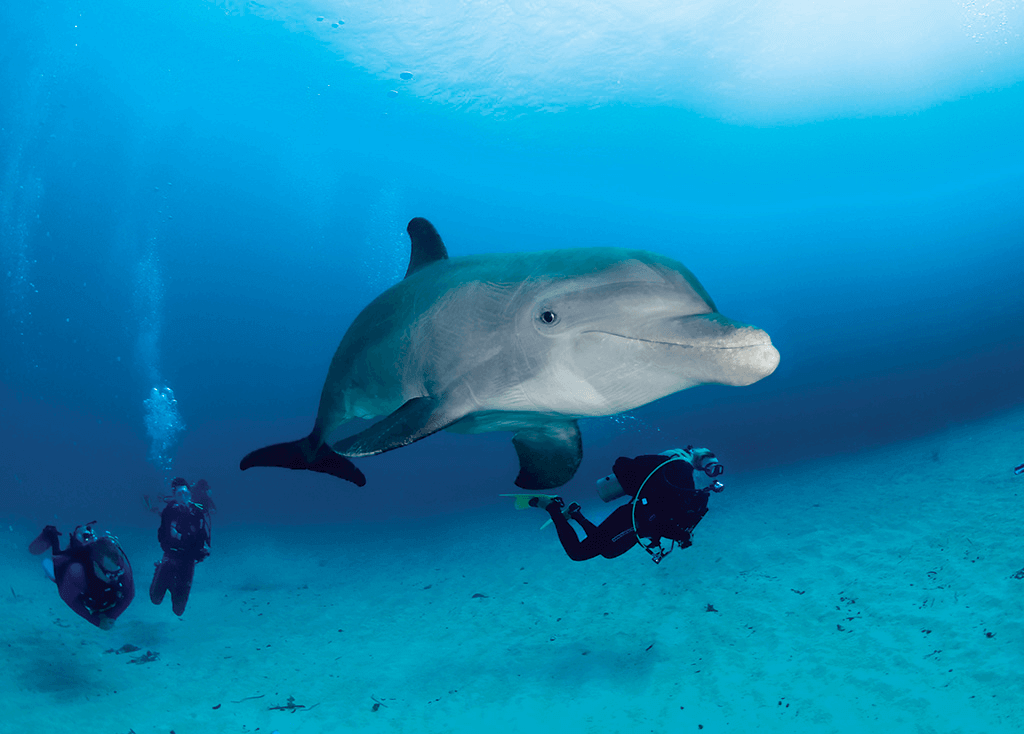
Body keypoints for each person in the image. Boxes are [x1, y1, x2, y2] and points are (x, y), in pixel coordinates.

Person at [512, 447, 724, 564]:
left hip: (636, 523)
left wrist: (681, 533)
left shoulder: (686, 479)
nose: (712, 475)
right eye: (711, 467)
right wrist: (681, 534)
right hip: (633, 520)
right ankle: (551, 506)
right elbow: (665, 516)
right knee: (578, 553)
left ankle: (577, 515)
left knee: (607, 551)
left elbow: (668, 515)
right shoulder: (680, 470)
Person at [28, 521, 135, 629]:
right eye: (110, 575)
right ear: (96, 566)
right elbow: (69, 599)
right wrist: (96, 622)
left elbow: (130, 594)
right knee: (59, 566)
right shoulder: (76, 572)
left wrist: (112, 616)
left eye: (118, 573)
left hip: (97, 578)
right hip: (77, 567)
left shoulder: (120, 566)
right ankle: (52, 536)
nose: (116, 578)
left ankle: (83, 533)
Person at [150, 478, 211, 616]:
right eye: (179, 494)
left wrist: (197, 549)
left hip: (188, 561)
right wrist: (178, 544)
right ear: (175, 496)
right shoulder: (168, 512)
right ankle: (160, 569)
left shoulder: (197, 513)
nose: (183, 497)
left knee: (178, 610)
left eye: (185, 493)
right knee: (155, 599)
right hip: (170, 557)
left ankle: (174, 585)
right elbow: (162, 537)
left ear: (190, 494)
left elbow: (202, 539)